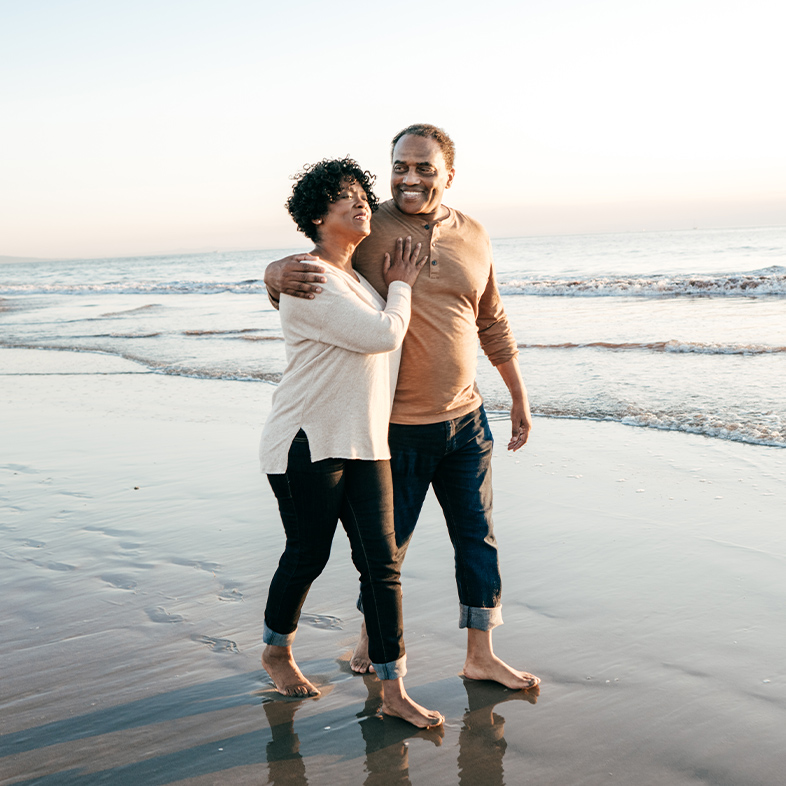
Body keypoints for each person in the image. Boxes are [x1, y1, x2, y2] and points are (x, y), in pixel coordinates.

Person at [265, 125, 540, 692]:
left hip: (467, 418)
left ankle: (481, 655)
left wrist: (517, 394)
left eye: (424, 168)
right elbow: (318, 265)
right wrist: (271, 276)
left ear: (448, 174)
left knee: (477, 538)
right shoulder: (369, 226)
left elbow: (491, 318)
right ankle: (373, 638)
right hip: (396, 426)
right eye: (400, 166)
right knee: (386, 552)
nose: (409, 178)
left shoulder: (475, 235)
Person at [259, 156, 442, 728]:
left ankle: (393, 687)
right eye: (345, 195)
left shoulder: (356, 279)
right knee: (308, 554)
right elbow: (383, 335)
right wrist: (403, 286)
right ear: (316, 214)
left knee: (382, 566)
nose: (361, 200)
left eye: (363, 192)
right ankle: (276, 650)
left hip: (366, 442)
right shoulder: (309, 278)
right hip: (306, 441)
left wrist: (387, 284)